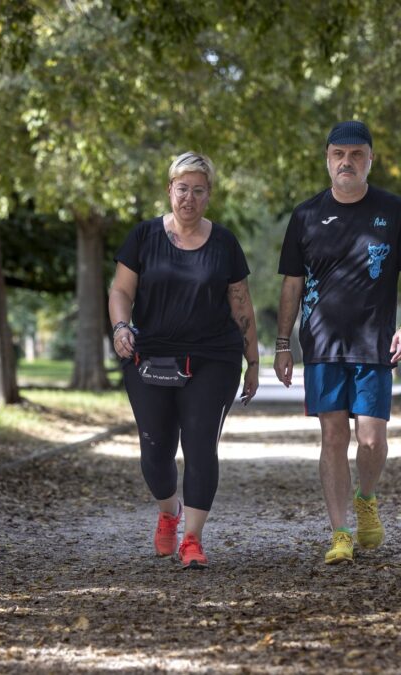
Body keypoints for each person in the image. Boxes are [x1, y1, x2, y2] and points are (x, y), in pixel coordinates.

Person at [274, 121, 401, 565]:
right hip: (321, 344)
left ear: (370, 160)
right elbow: (291, 285)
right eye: (339, 154)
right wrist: (283, 343)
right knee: (333, 435)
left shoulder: (394, 211)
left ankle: (367, 498)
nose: (347, 162)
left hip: (375, 343)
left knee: (372, 439)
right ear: (327, 159)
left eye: (356, 155)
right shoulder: (305, 215)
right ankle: (340, 531)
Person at [109, 151, 259, 569]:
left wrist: (254, 361)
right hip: (151, 352)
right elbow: (121, 291)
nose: (188, 198)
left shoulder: (225, 243)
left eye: (198, 190)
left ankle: (192, 539)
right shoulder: (143, 237)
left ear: (208, 195)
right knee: (155, 449)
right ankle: (168, 511)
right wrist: (122, 327)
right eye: (182, 189)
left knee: (199, 443)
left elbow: (241, 304)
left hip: (213, 356)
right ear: (169, 190)